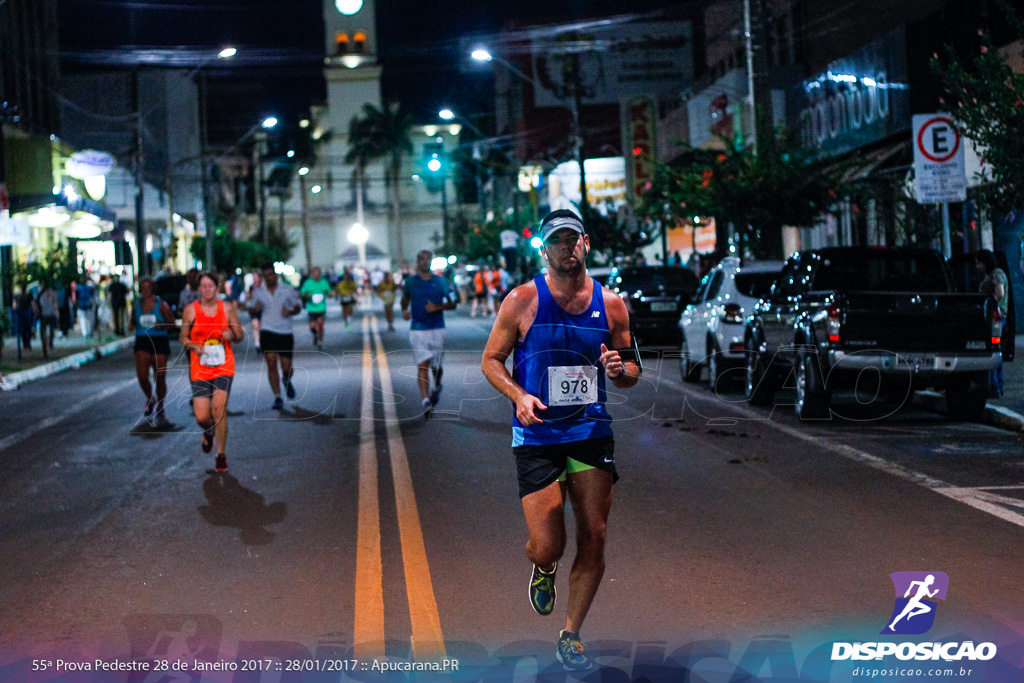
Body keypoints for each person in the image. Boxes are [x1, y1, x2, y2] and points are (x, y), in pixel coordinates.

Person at [480, 209, 641, 672]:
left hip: (591, 430)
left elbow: (631, 369)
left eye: (573, 240)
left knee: (595, 535)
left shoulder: (611, 305)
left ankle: (570, 633)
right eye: (557, 241)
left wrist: (620, 371)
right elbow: (491, 360)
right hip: (537, 435)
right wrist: (519, 395)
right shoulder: (522, 300)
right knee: (549, 542)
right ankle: (544, 566)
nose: (566, 248)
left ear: (586, 243)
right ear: (544, 249)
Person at [180, 272, 244, 472]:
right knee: (201, 416)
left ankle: (221, 454)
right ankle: (208, 432)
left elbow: (240, 335)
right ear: (199, 289)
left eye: (210, 285)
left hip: (223, 365)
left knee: (219, 410)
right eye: (203, 286)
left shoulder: (227, 308)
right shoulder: (191, 310)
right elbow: (182, 337)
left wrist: (231, 334)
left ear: (217, 288)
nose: (207, 289)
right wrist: (194, 346)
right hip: (200, 367)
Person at [401, 249, 456, 418]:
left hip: (437, 328)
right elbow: (405, 297)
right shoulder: (410, 281)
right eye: (420, 259)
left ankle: (437, 383)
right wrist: (404, 309)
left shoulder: (441, 282)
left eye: (426, 259)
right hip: (417, 329)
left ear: (431, 261)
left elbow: (453, 303)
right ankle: (425, 400)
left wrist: (437, 307)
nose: (423, 262)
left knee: (436, 367)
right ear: (417, 261)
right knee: (422, 365)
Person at [248, 263, 302, 410]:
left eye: (272, 274)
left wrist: (290, 312)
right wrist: (254, 309)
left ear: (276, 275)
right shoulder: (259, 292)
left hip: (285, 332)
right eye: (266, 275)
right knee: (271, 362)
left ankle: (286, 379)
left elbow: (298, 307)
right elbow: (251, 309)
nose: (270, 278)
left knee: (287, 366)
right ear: (264, 277)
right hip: (267, 331)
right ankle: (277, 397)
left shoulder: (287, 289)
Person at [130, 278, 175, 425]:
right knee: (142, 376)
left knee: (160, 376)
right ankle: (150, 398)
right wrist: (131, 326)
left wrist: (162, 324)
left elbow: (172, 323)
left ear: (153, 289)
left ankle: (161, 405)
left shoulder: (161, 305)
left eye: (148, 287)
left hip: (159, 341)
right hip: (143, 341)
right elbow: (132, 322)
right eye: (143, 288)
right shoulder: (136, 306)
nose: (146, 290)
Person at [977, 249, 1009, 397]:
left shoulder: (996, 274)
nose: (977, 267)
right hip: (994, 317)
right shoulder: (991, 275)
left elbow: (999, 293)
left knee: (994, 349)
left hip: (996, 317)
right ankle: (995, 386)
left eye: (979, 263)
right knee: (994, 349)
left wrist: (989, 301)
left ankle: (996, 386)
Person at [300, 266, 331, 348]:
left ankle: (320, 340)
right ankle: (315, 334)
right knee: (312, 327)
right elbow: (301, 294)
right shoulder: (307, 283)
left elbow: (330, 292)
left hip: (321, 307)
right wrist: (307, 295)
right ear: (312, 274)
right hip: (311, 308)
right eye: (315, 273)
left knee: (320, 323)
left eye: (318, 273)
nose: (316, 275)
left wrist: (328, 293)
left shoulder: (324, 282)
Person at [37, 281, 59, 357]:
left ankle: (45, 346)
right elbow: (55, 302)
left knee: (44, 331)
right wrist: (56, 311)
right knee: (51, 330)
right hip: (50, 313)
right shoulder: (52, 292)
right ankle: (50, 343)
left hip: (44, 314)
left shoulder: (40, 294)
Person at [246, 271, 264, 352]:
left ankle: (262, 341)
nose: (255, 279)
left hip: (263, 309)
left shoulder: (263, 286)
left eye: (256, 277)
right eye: (254, 277)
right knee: (255, 325)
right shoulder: (251, 287)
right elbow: (249, 297)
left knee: (262, 326)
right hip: (254, 309)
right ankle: (257, 343)